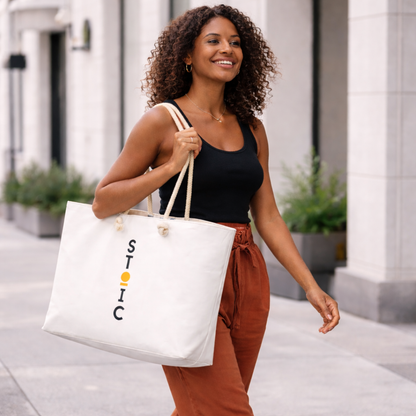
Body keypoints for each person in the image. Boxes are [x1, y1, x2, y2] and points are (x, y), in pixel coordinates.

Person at [92, 4, 340, 415]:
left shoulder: (251, 127)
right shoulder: (162, 120)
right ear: (186, 55)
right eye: (214, 40)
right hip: (184, 273)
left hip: (246, 273)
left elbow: (269, 216)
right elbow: (104, 201)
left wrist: (310, 286)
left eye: (236, 42)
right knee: (227, 409)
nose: (228, 49)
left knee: (203, 407)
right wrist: (170, 167)